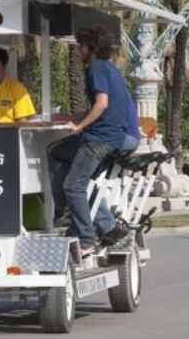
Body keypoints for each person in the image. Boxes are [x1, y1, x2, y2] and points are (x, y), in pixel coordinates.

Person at [49, 25, 131, 256]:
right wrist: (70, 117)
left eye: (80, 45)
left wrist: (79, 126)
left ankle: (86, 238)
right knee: (56, 152)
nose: (78, 49)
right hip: (111, 136)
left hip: (100, 138)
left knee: (73, 186)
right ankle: (67, 214)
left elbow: (101, 104)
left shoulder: (95, 68)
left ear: (90, 46)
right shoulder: (110, 69)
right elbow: (100, 107)